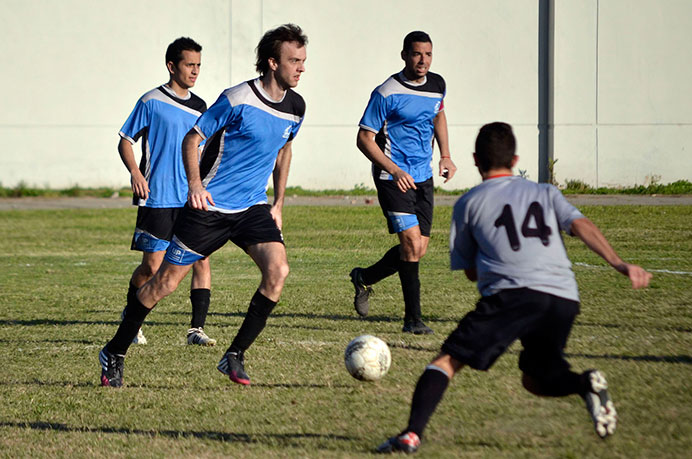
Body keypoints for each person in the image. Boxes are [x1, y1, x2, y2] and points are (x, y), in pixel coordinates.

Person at [376, 122, 653, 454]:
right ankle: (584, 383)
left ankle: (410, 435)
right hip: (564, 298)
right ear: (515, 158)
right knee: (535, 378)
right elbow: (580, 224)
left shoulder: (470, 203)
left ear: (476, 160)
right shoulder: (546, 192)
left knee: (447, 361)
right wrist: (619, 263)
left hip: (514, 296)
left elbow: (470, 273)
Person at [100, 23, 308, 388]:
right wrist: (195, 186)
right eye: (294, 60)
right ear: (273, 63)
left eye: (303, 61)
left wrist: (278, 202)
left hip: (251, 208)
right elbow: (192, 139)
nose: (301, 68)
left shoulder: (295, 107)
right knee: (163, 283)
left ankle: (234, 355)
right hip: (209, 207)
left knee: (278, 272)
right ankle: (114, 351)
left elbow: (284, 149)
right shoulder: (237, 98)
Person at [350, 31, 457, 335]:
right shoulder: (387, 92)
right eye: (416, 54)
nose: (423, 60)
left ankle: (364, 277)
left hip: (423, 177)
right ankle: (413, 320)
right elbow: (364, 138)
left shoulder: (437, 85)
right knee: (410, 243)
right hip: (391, 177)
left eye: (428, 54)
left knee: (418, 248)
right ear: (404, 55)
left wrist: (446, 155)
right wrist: (394, 170)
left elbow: (439, 116)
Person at [117, 37, 215, 347]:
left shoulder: (202, 107)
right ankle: (131, 318)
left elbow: (205, 149)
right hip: (157, 196)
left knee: (201, 259)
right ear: (172, 66)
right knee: (153, 267)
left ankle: (196, 330)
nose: (195, 71)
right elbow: (125, 140)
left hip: (191, 197)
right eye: (190, 64)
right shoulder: (150, 101)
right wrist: (135, 172)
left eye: (198, 65)